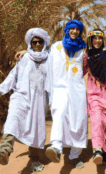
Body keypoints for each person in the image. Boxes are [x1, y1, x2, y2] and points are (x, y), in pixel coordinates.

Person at [0, 29, 51, 172]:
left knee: (37, 128)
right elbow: (12, 76)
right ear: (30, 43)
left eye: (40, 41)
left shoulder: (49, 59)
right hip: (21, 95)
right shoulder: (24, 58)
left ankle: (34, 158)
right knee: (13, 117)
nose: (37, 44)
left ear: (44, 42)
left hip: (39, 100)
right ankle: (5, 149)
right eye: (34, 42)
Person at [45, 20, 87, 169]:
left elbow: (91, 65)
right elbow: (43, 59)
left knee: (79, 120)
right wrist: (27, 51)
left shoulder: (83, 49)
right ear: (67, 30)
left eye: (77, 29)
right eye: (72, 29)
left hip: (78, 90)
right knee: (60, 113)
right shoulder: (56, 47)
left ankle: (75, 154)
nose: (74, 32)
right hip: (60, 88)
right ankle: (56, 147)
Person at [83, 29, 106, 165]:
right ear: (90, 41)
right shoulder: (86, 56)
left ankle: (105, 150)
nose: (97, 41)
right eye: (94, 38)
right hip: (94, 94)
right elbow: (77, 71)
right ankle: (97, 148)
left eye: (100, 38)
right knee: (96, 120)